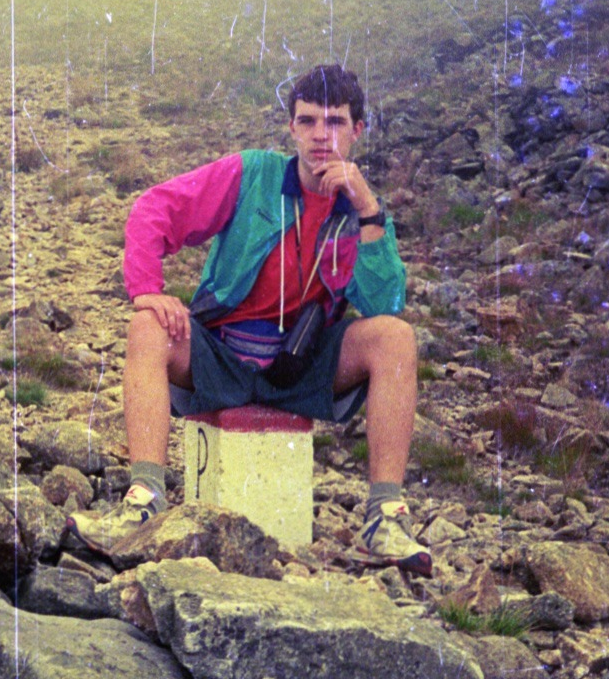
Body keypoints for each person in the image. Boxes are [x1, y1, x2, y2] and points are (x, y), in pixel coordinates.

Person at [69, 63, 431, 575]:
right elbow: (153, 209)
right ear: (291, 128)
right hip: (221, 355)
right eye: (307, 122)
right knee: (147, 326)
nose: (320, 136)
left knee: (394, 339)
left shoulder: (361, 214)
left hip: (301, 365)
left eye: (334, 122)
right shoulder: (252, 174)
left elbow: (384, 305)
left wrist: (368, 209)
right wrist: (148, 290)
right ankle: (143, 503)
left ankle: (384, 520)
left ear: (358, 130)